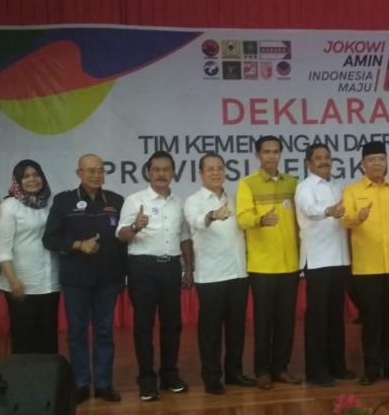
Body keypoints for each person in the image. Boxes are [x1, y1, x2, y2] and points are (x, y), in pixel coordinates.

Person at [43, 154, 126, 404]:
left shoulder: (116, 201)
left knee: (104, 332)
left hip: (108, 279)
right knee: (77, 333)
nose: (96, 174)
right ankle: (80, 383)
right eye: (90, 170)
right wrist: (79, 245)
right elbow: (50, 239)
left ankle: (103, 384)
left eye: (100, 170)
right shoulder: (64, 201)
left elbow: (123, 241)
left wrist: (123, 276)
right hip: (76, 279)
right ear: (78, 173)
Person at [116, 151, 193, 401]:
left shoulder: (179, 202)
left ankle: (170, 375)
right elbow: (121, 235)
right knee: (144, 326)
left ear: (173, 173)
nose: (161, 174)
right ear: (148, 172)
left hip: (171, 267)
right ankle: (147, 380)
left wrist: (188, 268)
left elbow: (184, 238)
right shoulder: (134, 200)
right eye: (156, 169)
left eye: (166, 169)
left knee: (172, 325)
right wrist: (135, 226)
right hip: (143, 268)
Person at [341, 141, 389, 386]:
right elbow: (345, 220)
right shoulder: (352, 191)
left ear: (386, 162)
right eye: (372, 160)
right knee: (371, 320)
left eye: (381, 159)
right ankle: (372, 369)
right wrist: (357, 217)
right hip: (366, 266)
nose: (377, 164)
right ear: (362, 164)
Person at [183, 152, 256, 395]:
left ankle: (234, 372)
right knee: (211, 331)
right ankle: (212, 377)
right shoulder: (193, 201)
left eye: (219, 168)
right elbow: (196, 222)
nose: (216, 173)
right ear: (201, 173)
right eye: (210, 169)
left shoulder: (235, 199)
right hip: (211, 276)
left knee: (236, 328)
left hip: (238, 273)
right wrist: (212, 215)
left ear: (225, 172)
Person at [236, 135, 301, 390]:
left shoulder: (293, 183)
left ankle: (281, 368)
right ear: (258, 155)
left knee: (286, 320)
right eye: (266, 152)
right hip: (262, 265)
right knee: (263, 321)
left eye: (275, 151)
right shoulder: (248, 184)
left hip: (290, 264)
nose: (271, 156)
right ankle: (262, 370)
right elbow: (242, 217)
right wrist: (261, 220)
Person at [295, 143, 356, 387]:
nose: (324, 161)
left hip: (339, 258)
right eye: (318, 158)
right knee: (317, 318)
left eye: (327, 157)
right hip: (318, 259)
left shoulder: (337, 186)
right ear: (308, 163)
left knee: (335, 316)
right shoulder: (304, 187)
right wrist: (330, 210)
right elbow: (310, 211)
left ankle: (337, 366)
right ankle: (316, 372)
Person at [0, 159, 60, 354]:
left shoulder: (50, 203)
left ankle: (48, 374)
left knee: (48, 336)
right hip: (22, 283)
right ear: (17, 181)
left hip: (50, 282)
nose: (32, 179)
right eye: (26, 176)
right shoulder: (9, 206)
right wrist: (13, 281)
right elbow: (2, 250)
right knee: (25, 338)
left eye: (36, 175)